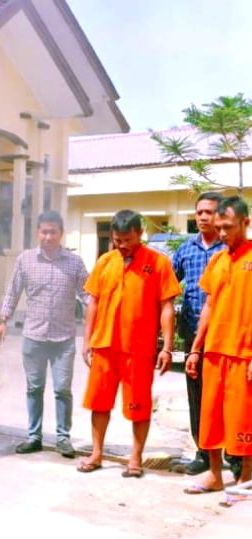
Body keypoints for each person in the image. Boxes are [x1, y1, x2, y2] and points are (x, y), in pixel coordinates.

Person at [77, 209, 181, 477]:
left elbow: (166, 306)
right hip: (104, 345)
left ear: (140, 234)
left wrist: (167, 347)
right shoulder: (105, 261)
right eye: (116, 240)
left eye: (127, 240)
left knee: (139, 405)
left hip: (139, 349)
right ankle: (96, 453)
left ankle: (135, 459)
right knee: (99, 403)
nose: (121, 246)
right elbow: (94, 301)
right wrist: (87, 340)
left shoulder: (157, 263)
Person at [0, 210, 88, 458]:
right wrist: (3, 320)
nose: (48, 237)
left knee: (62, 390)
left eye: (53, 232)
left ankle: (63, 438)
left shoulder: (74, 263)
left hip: (63, 338)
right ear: (37, 232)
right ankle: (34, 436)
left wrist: (101, 316)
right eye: (44, 232)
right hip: (33, 337)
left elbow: (87, 294)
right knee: (34, 388)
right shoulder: (25, 260)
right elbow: (12, 291)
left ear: (61, 234)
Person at [183, 195, 252, 503]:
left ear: (246, 224)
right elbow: (209, 305)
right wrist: (196, 348)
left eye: (229, 227)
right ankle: (214, 475)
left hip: (243, 353)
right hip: (214, 352)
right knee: (210, 418)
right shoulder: (218, 259)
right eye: (220, 227)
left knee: (243, 420)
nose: (223, 234)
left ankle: (246, 480)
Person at [170, 192, 238, 476]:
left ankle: (235, 456)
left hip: (227, 334)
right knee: (198, 396)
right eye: (199, 212)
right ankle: (203, 452)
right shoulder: (186, 250)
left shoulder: (231, 251)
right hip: (194, 335)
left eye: (209, 212)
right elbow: (168, 287)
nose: (202, 217)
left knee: (229, 397)